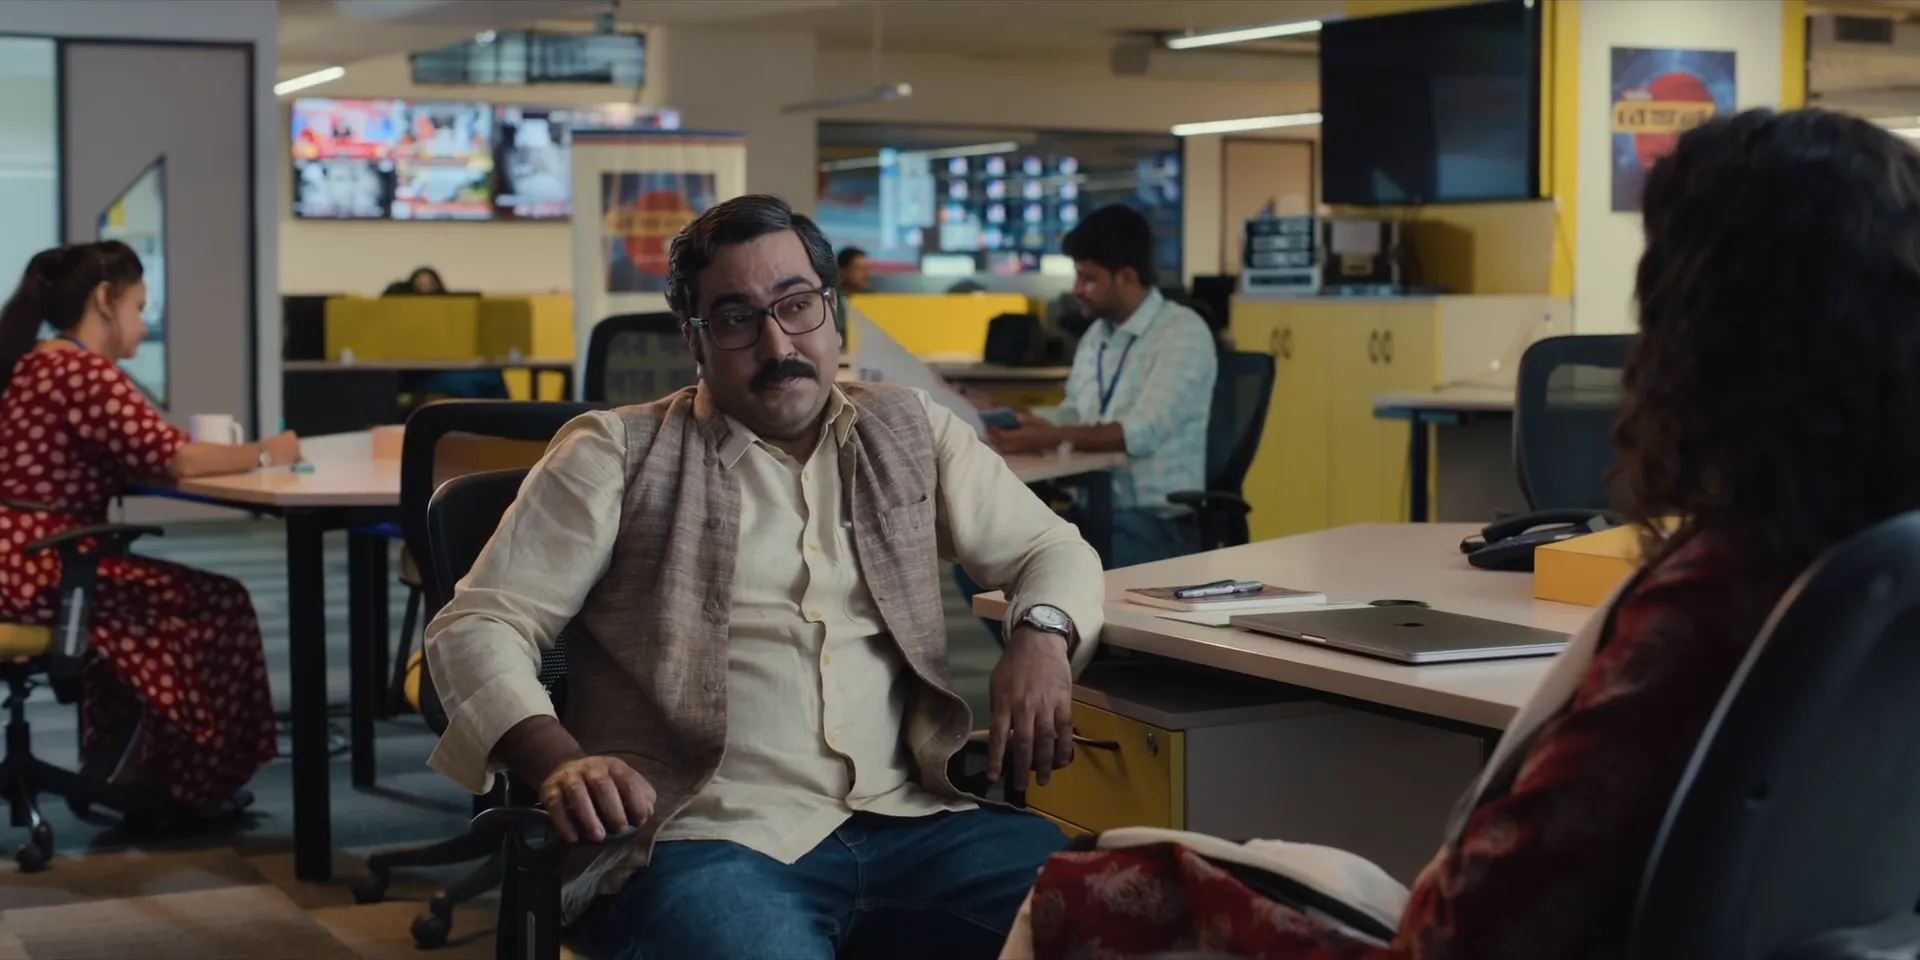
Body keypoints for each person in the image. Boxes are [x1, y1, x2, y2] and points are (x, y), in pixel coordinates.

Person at [1019, 107, 1920, 958]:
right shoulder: (1853, 570)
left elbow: (1469, 929)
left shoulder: (1706, 606)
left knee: (1078, 884)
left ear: (1701, 341)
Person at [423, 194, 1107, 960]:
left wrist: (1041, 636)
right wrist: (558, 759)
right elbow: (477, 625)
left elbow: (1053, 548)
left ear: (831, 309)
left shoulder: (911, 431)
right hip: (697, 839)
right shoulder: (615, 455)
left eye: (796, 304)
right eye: (736, 318)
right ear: (694, 338)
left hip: (913, 821)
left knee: (1114, 919)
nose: (778, 342)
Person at [0, 241, 297, 817]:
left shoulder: (35, 360)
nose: (142, 323)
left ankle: (118, 767)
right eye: (138, 306)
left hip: (22, 558)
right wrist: (271, 451)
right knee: (216, 603)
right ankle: (169, 784)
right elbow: (176, 457)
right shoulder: (82, 370)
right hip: (42, 566)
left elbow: (131, 452)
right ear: (103, 300)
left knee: (151, 605)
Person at [976, 204, 1216, 571]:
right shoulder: (1097, 336)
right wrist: (1027, 420)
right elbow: (1075, 413)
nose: (1077, 289)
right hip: (1092, 512)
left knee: (1043, 573)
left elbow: (1139, 433)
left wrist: (1050, 437)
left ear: (1126, 277)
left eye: (1088, 278)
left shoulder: (1182, 333)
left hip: (1153, 523)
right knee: (981, 558)